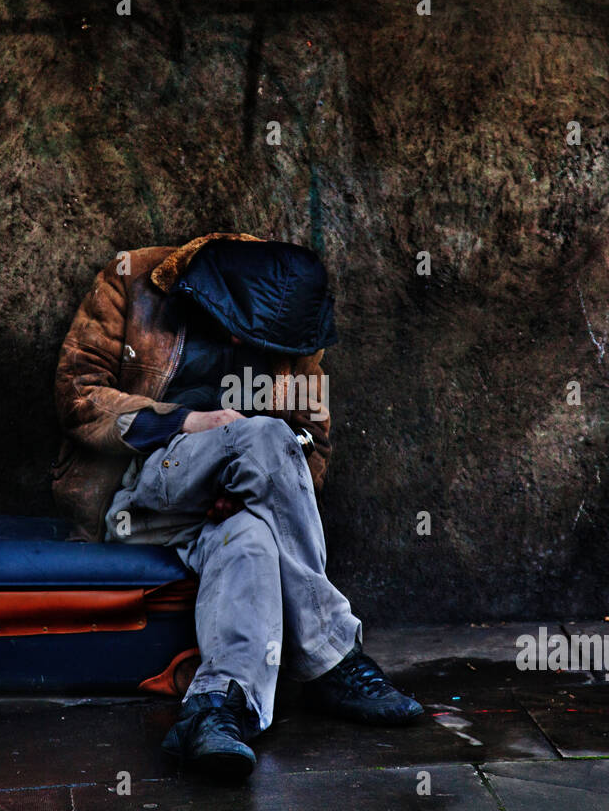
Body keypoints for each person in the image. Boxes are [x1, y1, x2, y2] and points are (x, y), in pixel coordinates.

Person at [52, 233, 422, 780]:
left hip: (231, 507)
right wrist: (188, 422)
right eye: (236, 325)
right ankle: (333, 656)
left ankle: (217, 711)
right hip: (139, 492)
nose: (240, 341)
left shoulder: (295, 329)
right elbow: (78, 394)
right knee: (263, 436)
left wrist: (250, 481)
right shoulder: (133, 281)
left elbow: (311, 450)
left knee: (251, 535)